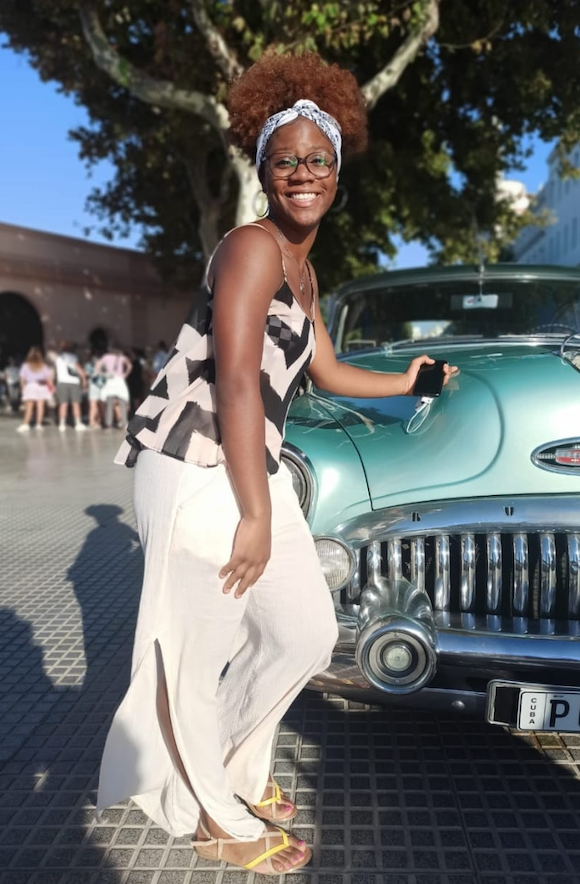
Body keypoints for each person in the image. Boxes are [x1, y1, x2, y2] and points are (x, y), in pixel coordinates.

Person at [96, 52, 457, 875]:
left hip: (246, 462)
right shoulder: (252, 249)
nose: (303, 173)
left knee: (306, 632)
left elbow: (323, 369)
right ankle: (213, 818)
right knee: (198, 649)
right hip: (195, 462)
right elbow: (232, 377)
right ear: (263, 170)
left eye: (317, 159)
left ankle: (225, 771)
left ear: (337, 170)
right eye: (285, 160)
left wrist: (408, 382)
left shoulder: (304, 269)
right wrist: (256, 514)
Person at [16, 347, 53, 432]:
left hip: (30, 386)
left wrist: (23, 388)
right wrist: (51, 388)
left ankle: (26, 424)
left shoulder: (25, 366)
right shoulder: (43, 366)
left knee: (29, 406)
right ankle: (39, 424)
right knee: (40, 406)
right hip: (41, 386)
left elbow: (22, 379)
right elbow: (49, 379)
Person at [95, 345, 132, 429]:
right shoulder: (121, 357)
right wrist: (125, 374)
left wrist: (103, 374)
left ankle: (109, 424)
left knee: (109, 403)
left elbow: (97, 367)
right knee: (122, 401)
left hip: (110, 379)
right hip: (120, 380)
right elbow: (129, 366)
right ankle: (124, 422)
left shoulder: (105, 357)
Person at [54, 343, 87, 431]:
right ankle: (78, 423)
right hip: (73, 382)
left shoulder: (58, 358)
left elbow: (55, 371)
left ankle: (62, 424)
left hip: (62, 382)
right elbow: (78, 368)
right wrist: (84, 378)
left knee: (63, 404)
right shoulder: (73, 357)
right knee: (75, 403)